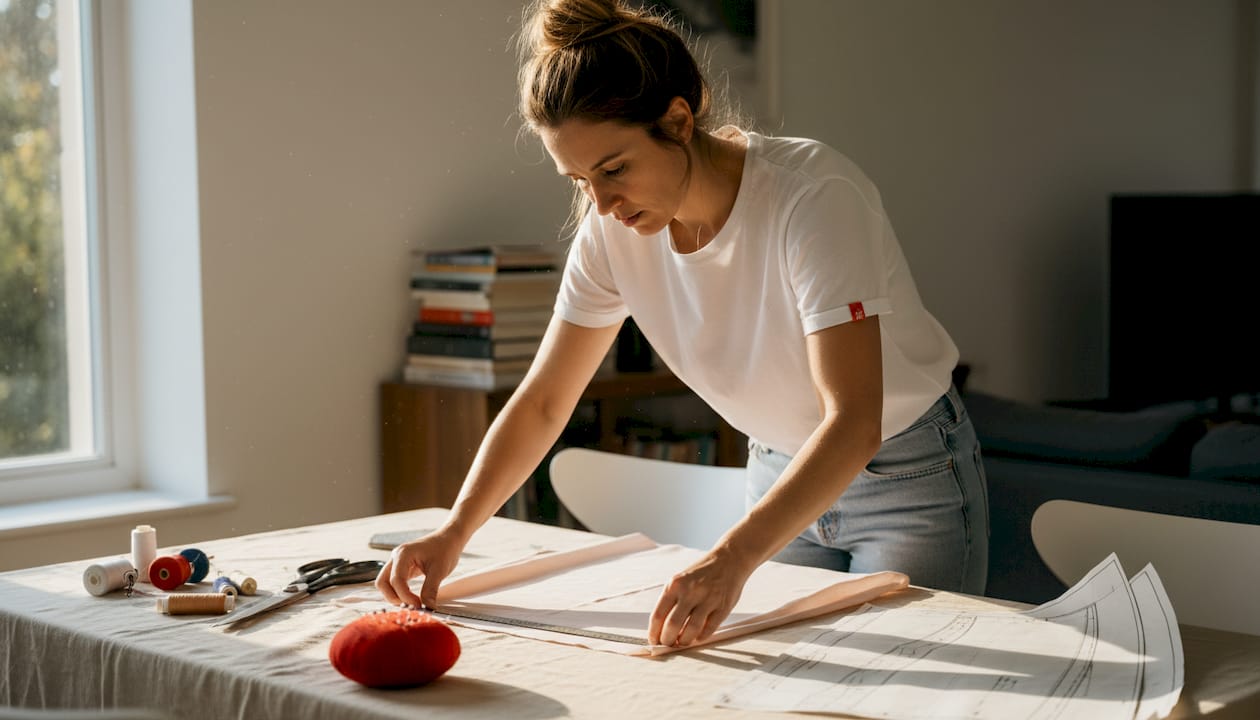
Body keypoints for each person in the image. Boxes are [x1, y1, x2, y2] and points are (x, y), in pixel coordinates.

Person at [376, 0, 988, 648]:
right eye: (580, 180)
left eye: (613, 169)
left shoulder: (813, 198)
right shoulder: (610, 236)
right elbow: (546, 402)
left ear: (677, 118)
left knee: (893, 690)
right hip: (779, 470)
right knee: (782, 682)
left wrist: (731, 557)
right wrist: (456, 530)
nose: (603, 204)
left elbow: (854, 420)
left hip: (902, 475)